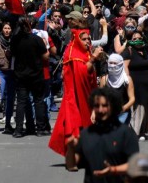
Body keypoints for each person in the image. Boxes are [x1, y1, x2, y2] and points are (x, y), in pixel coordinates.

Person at [49, 16, 102, 155]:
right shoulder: (73, 52)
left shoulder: (83, 50)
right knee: (75, 126)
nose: (87, 42)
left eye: (88, 39)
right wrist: (94, 58)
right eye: (84, 39)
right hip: (75, 97)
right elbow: (82, 74)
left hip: (86, 94)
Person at [65, 87, 139, 182]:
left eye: (105, 105)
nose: (100, 110)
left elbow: (135, 165)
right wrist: (70, 148)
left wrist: (113, 170)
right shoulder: (86, 134)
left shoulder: (126, 133)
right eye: (96, 106)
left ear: (113, 106)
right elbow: (71, 166)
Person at [10, 16, 49, 138]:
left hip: (21, 74)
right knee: (38, 101)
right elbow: (45, 56)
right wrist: (45, 47)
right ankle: (40, 128)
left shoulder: (15, 39)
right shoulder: (37, 39)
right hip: (36, 74)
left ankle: (18, 129)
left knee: (21, 102)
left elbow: (12, 54)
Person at [101, 53, 135, 124]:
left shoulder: (127, 80)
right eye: (110, 63)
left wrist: (123, 108)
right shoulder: (104, 79)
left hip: (123, 114)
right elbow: (100, 96)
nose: (113, 65)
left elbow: (132, 99)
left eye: (115, 63)